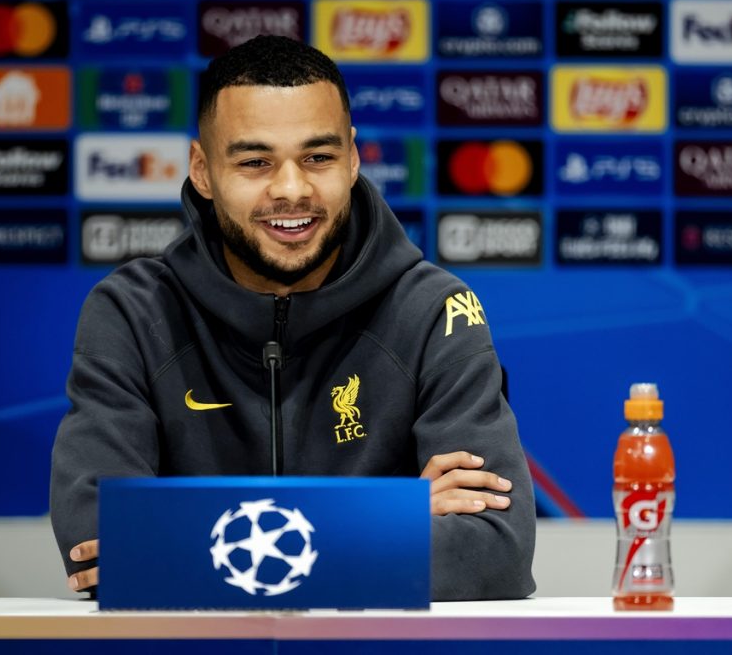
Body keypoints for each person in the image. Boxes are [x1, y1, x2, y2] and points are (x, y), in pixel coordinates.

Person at [50, 35, 536, 601]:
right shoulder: (133, 312)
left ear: (353, 159)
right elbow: (104, 543)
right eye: (255, 162)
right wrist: (393, 514)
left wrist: (180, 539)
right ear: (203, 171)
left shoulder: (434, 311)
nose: (291, 189)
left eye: (318, 158)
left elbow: (494, 553)